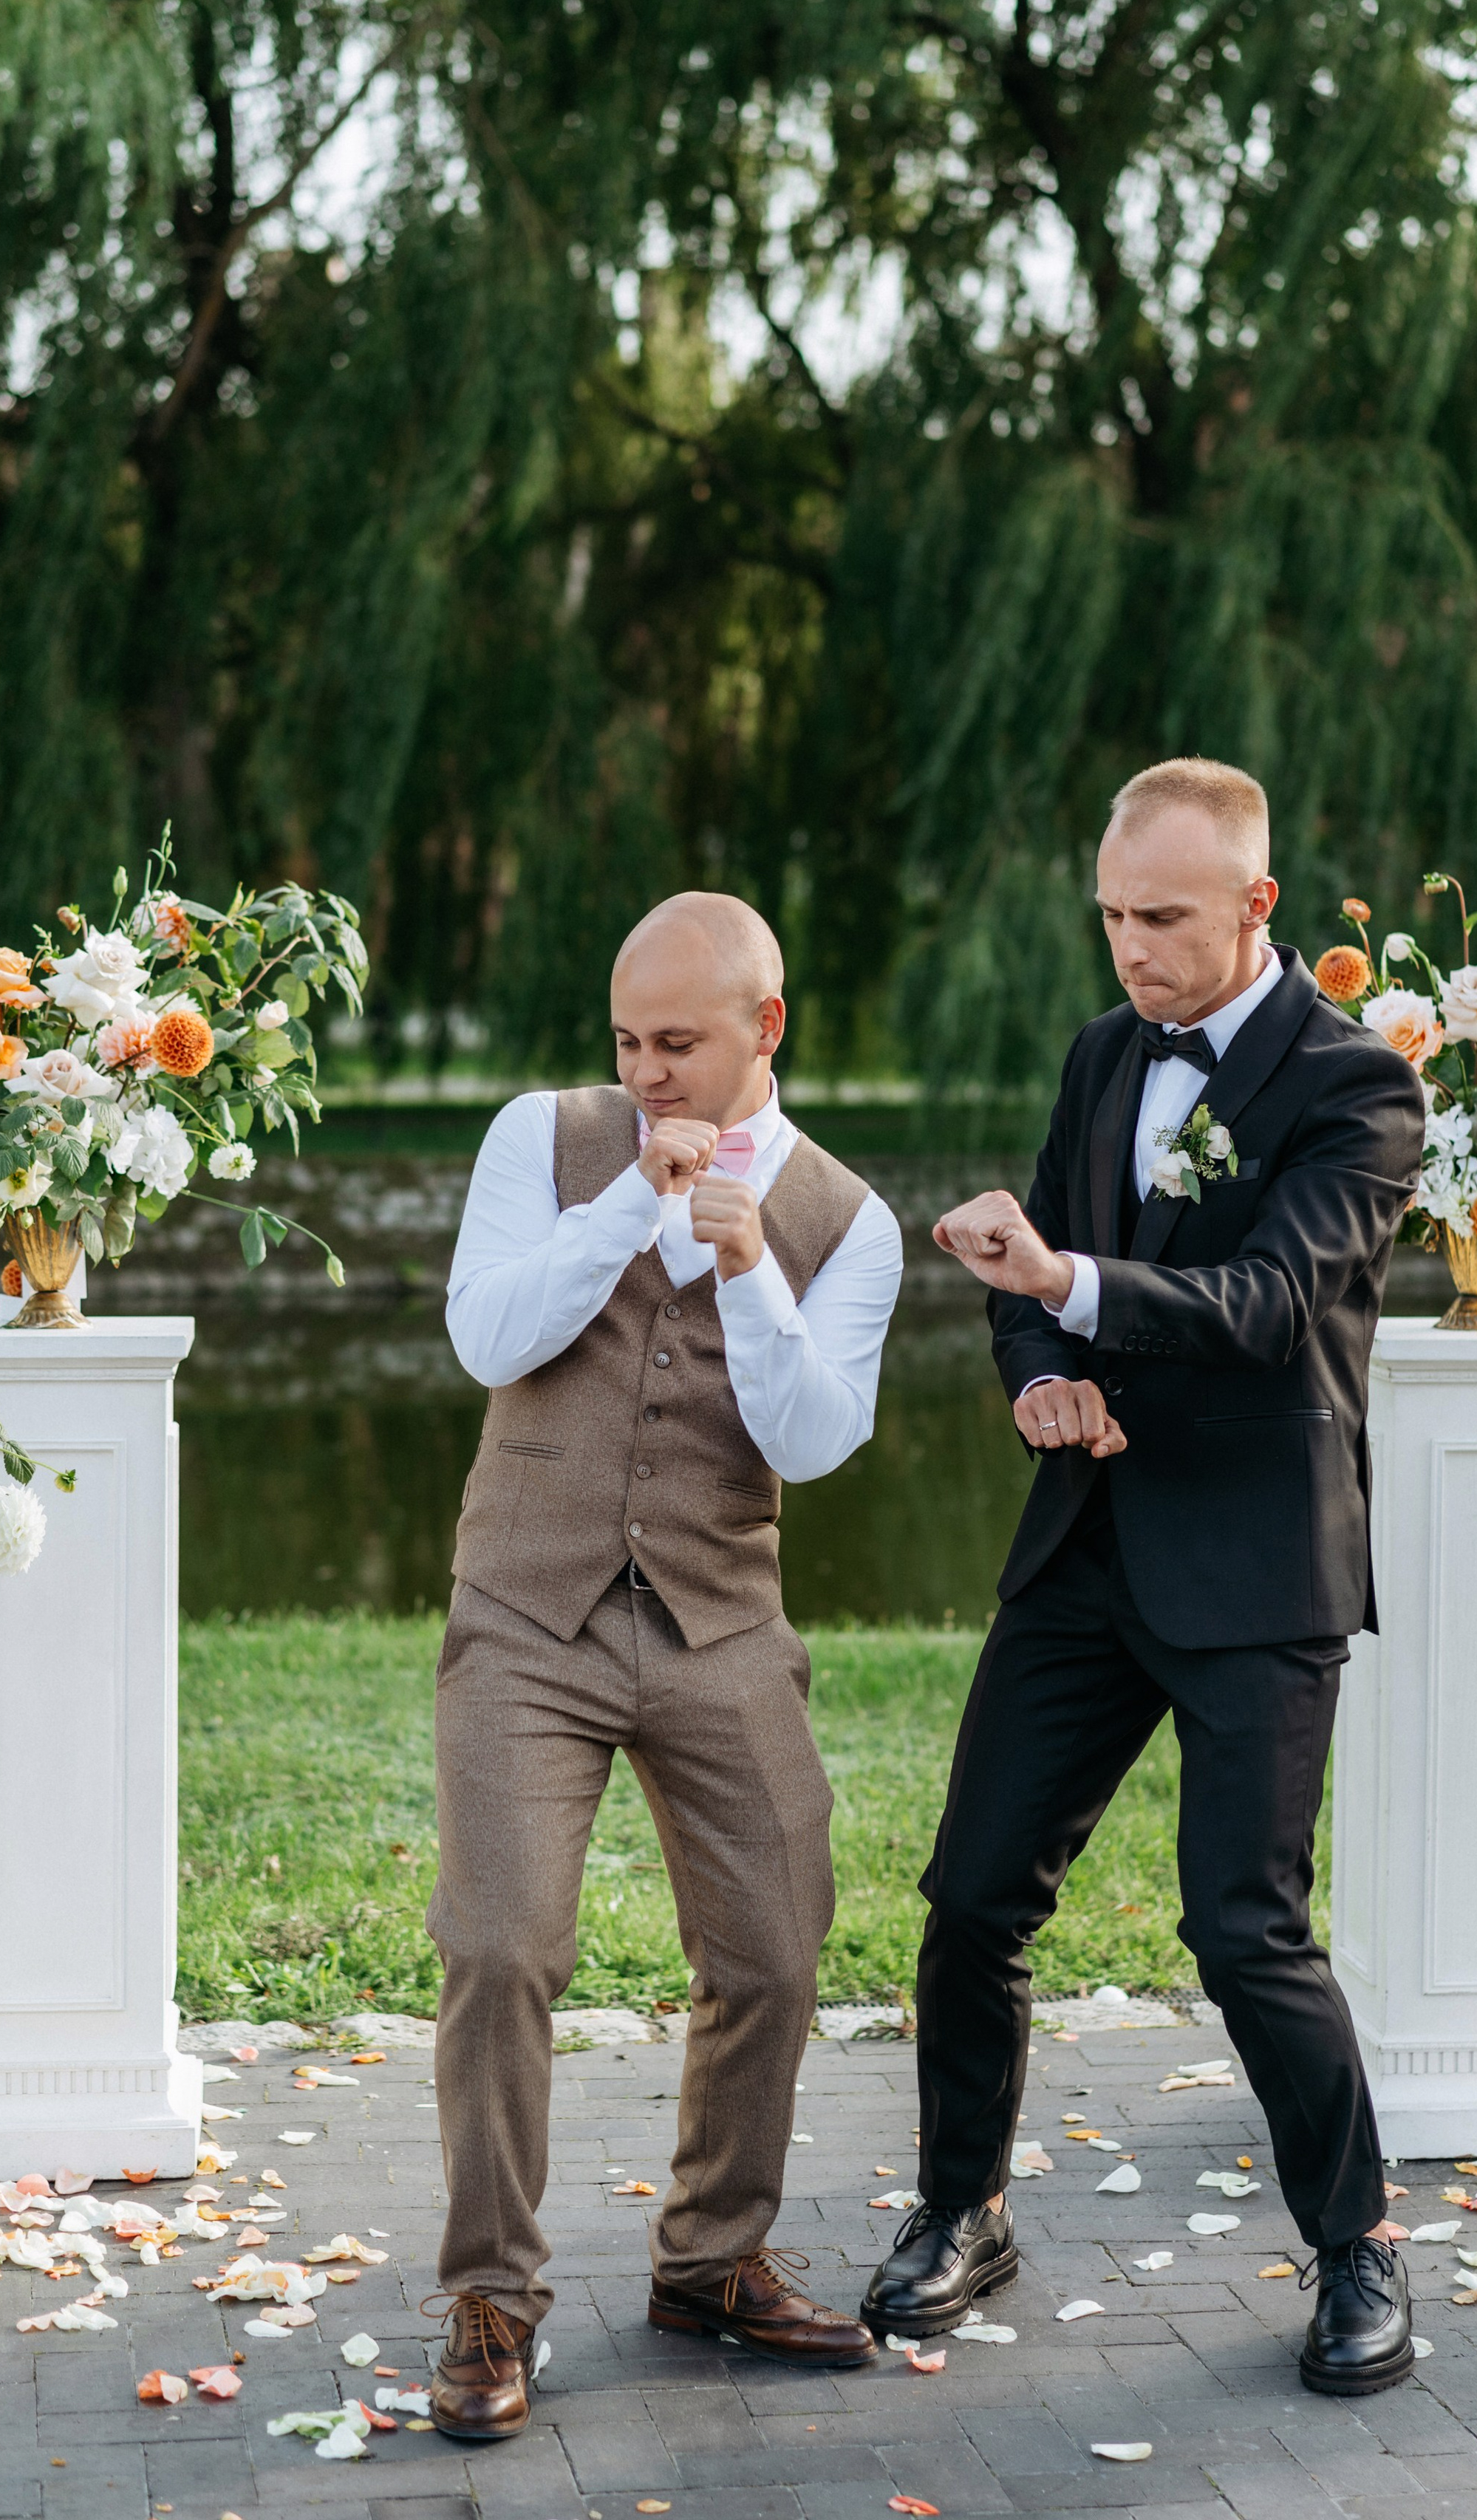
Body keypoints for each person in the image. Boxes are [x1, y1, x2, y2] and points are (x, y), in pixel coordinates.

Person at [859, 758, 1426, 2399]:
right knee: (971, 1898)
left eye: (1161, 918)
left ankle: (1356, 2247)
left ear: (1258, 907)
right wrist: (1035, 1363)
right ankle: (961, 2209)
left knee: (1241, 1927)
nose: (1127, 950)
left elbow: (1270, 1303)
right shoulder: (1103, 1056)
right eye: (1109, 915)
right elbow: (1033, 1273)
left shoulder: (1359, 1088)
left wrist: (1070, 1284)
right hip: (1084, 1544)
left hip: (1256, 1565)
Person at [426, 891, 903, 2439]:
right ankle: (490, 2299)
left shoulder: (850, 1218)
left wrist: (752, 1265)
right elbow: (487, 1340)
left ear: (764, 1031)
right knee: (501, 1947)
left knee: (771, 1944)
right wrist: (630, 1203)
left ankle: (710, 2260)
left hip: (718, 1620)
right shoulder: (542, 1139)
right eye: (627, 1039)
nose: (646, 1071)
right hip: (526, 1613)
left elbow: (817, 1443)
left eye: (678, 1043)